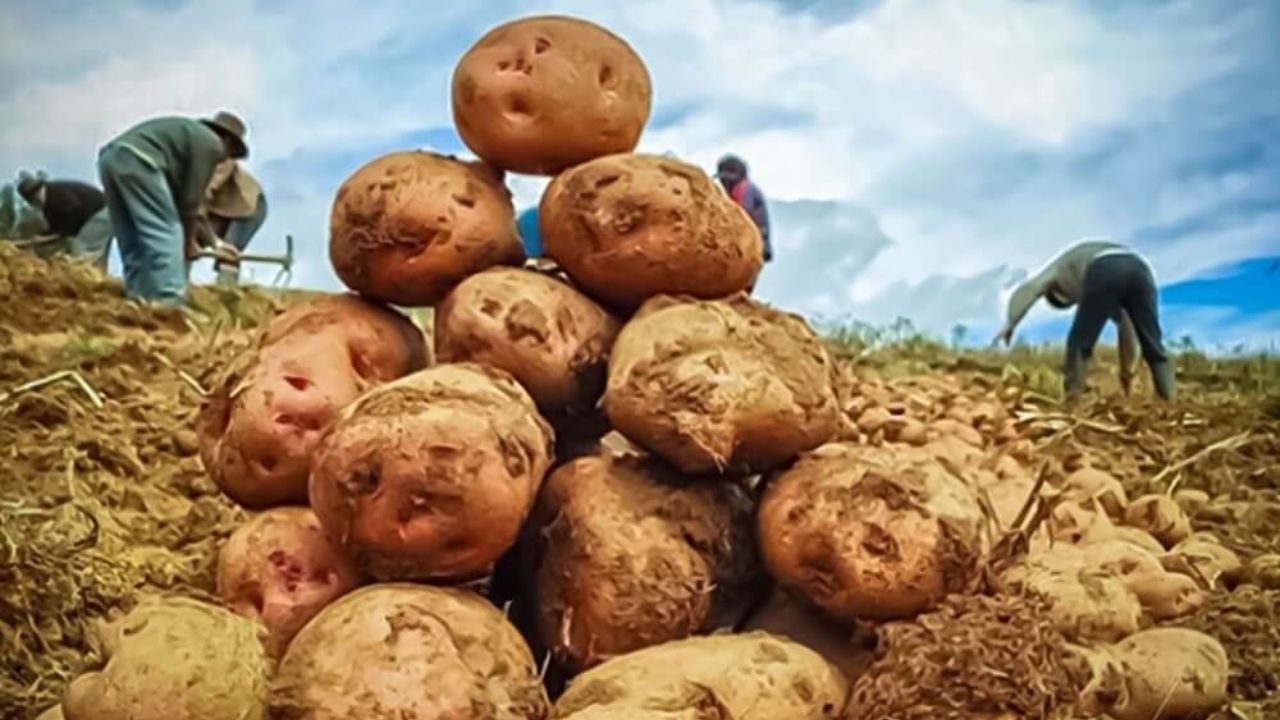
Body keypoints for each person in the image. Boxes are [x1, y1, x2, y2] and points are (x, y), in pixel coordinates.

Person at [97, 111, 249, 306]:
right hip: (141, 160)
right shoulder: (210, 144)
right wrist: (187, 244)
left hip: (110, 158)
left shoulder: (186, 141)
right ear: (227, 141)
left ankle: (138, 299)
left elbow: (189, 206)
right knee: (167, 232)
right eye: (229, 154)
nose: (223, 160)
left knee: (133, 238)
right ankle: (170, 303)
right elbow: (191, 203)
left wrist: (214, 243)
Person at [994, 239, 1175, 400]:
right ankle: (1169, 399)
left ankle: (1073, 400)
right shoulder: (1081, 267)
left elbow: (1031, 288)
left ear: (1057, 291)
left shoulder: (1059, 270)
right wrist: (1127, 374)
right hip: (1140, 269)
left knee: (1079, 343)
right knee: (1153, 345)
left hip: (1104, 267)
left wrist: (1011, 322)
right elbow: (1128, 329)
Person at [16, 176, 114, 269]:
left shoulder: (55, 195)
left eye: (36, 194)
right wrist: (42, 237)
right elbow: (56, 230)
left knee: (83, 250)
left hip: (101, 213)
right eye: (32, 199)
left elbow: (74, 211)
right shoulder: (48, 208)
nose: (36, 199)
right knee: (95, 258)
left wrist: (58, 234)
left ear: (42, 188)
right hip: (102, 214)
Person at [203, 159, 267, 284]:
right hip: (218, 210)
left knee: (229, 251)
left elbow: (208, 188)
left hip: (249, 206)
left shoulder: (216, 155)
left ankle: (226, 292)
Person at [715, 154, 772, 263]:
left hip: (753, 246)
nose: (723, 180)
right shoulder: (738, 191)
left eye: (726, 174)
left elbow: (740, 216)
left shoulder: (747, 191)